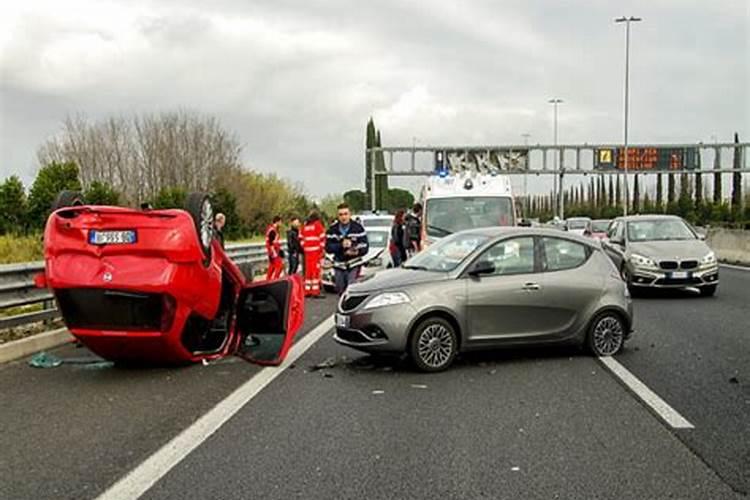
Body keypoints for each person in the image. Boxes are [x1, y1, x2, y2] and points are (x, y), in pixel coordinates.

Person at [325, 203, 368, 294]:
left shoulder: (358, 228)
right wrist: (341, 245)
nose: (343, 217)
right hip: (339, 265)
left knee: (351, 289)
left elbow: (365, 246)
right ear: (338, 216)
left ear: (350, 214)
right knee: (340, 290)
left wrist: (356, 251)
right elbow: (328, 247)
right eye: (341, 215)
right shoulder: (332, 230)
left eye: (345, 214)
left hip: (353, 264)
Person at [300, 211, 326, 297]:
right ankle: (315, 291)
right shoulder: (317, 225)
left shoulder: (305, 225)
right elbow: (322, 237)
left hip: (307, 252)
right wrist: (321, 249)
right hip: (316, 252)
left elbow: (300, 238)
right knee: (315, 272)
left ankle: (307, 291)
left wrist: (304, 247)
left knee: (308, 272)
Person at [265, 215, 284, 280]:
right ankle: (276, 280)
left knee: (272, 267)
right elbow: (271, 243)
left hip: (273, 251)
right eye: (280, 222)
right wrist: (273, 253)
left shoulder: (273, 229)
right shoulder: (272, 230)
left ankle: (267, 280)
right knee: (280, 266)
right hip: (273, 252)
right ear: (277, 222)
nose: (281, 224)